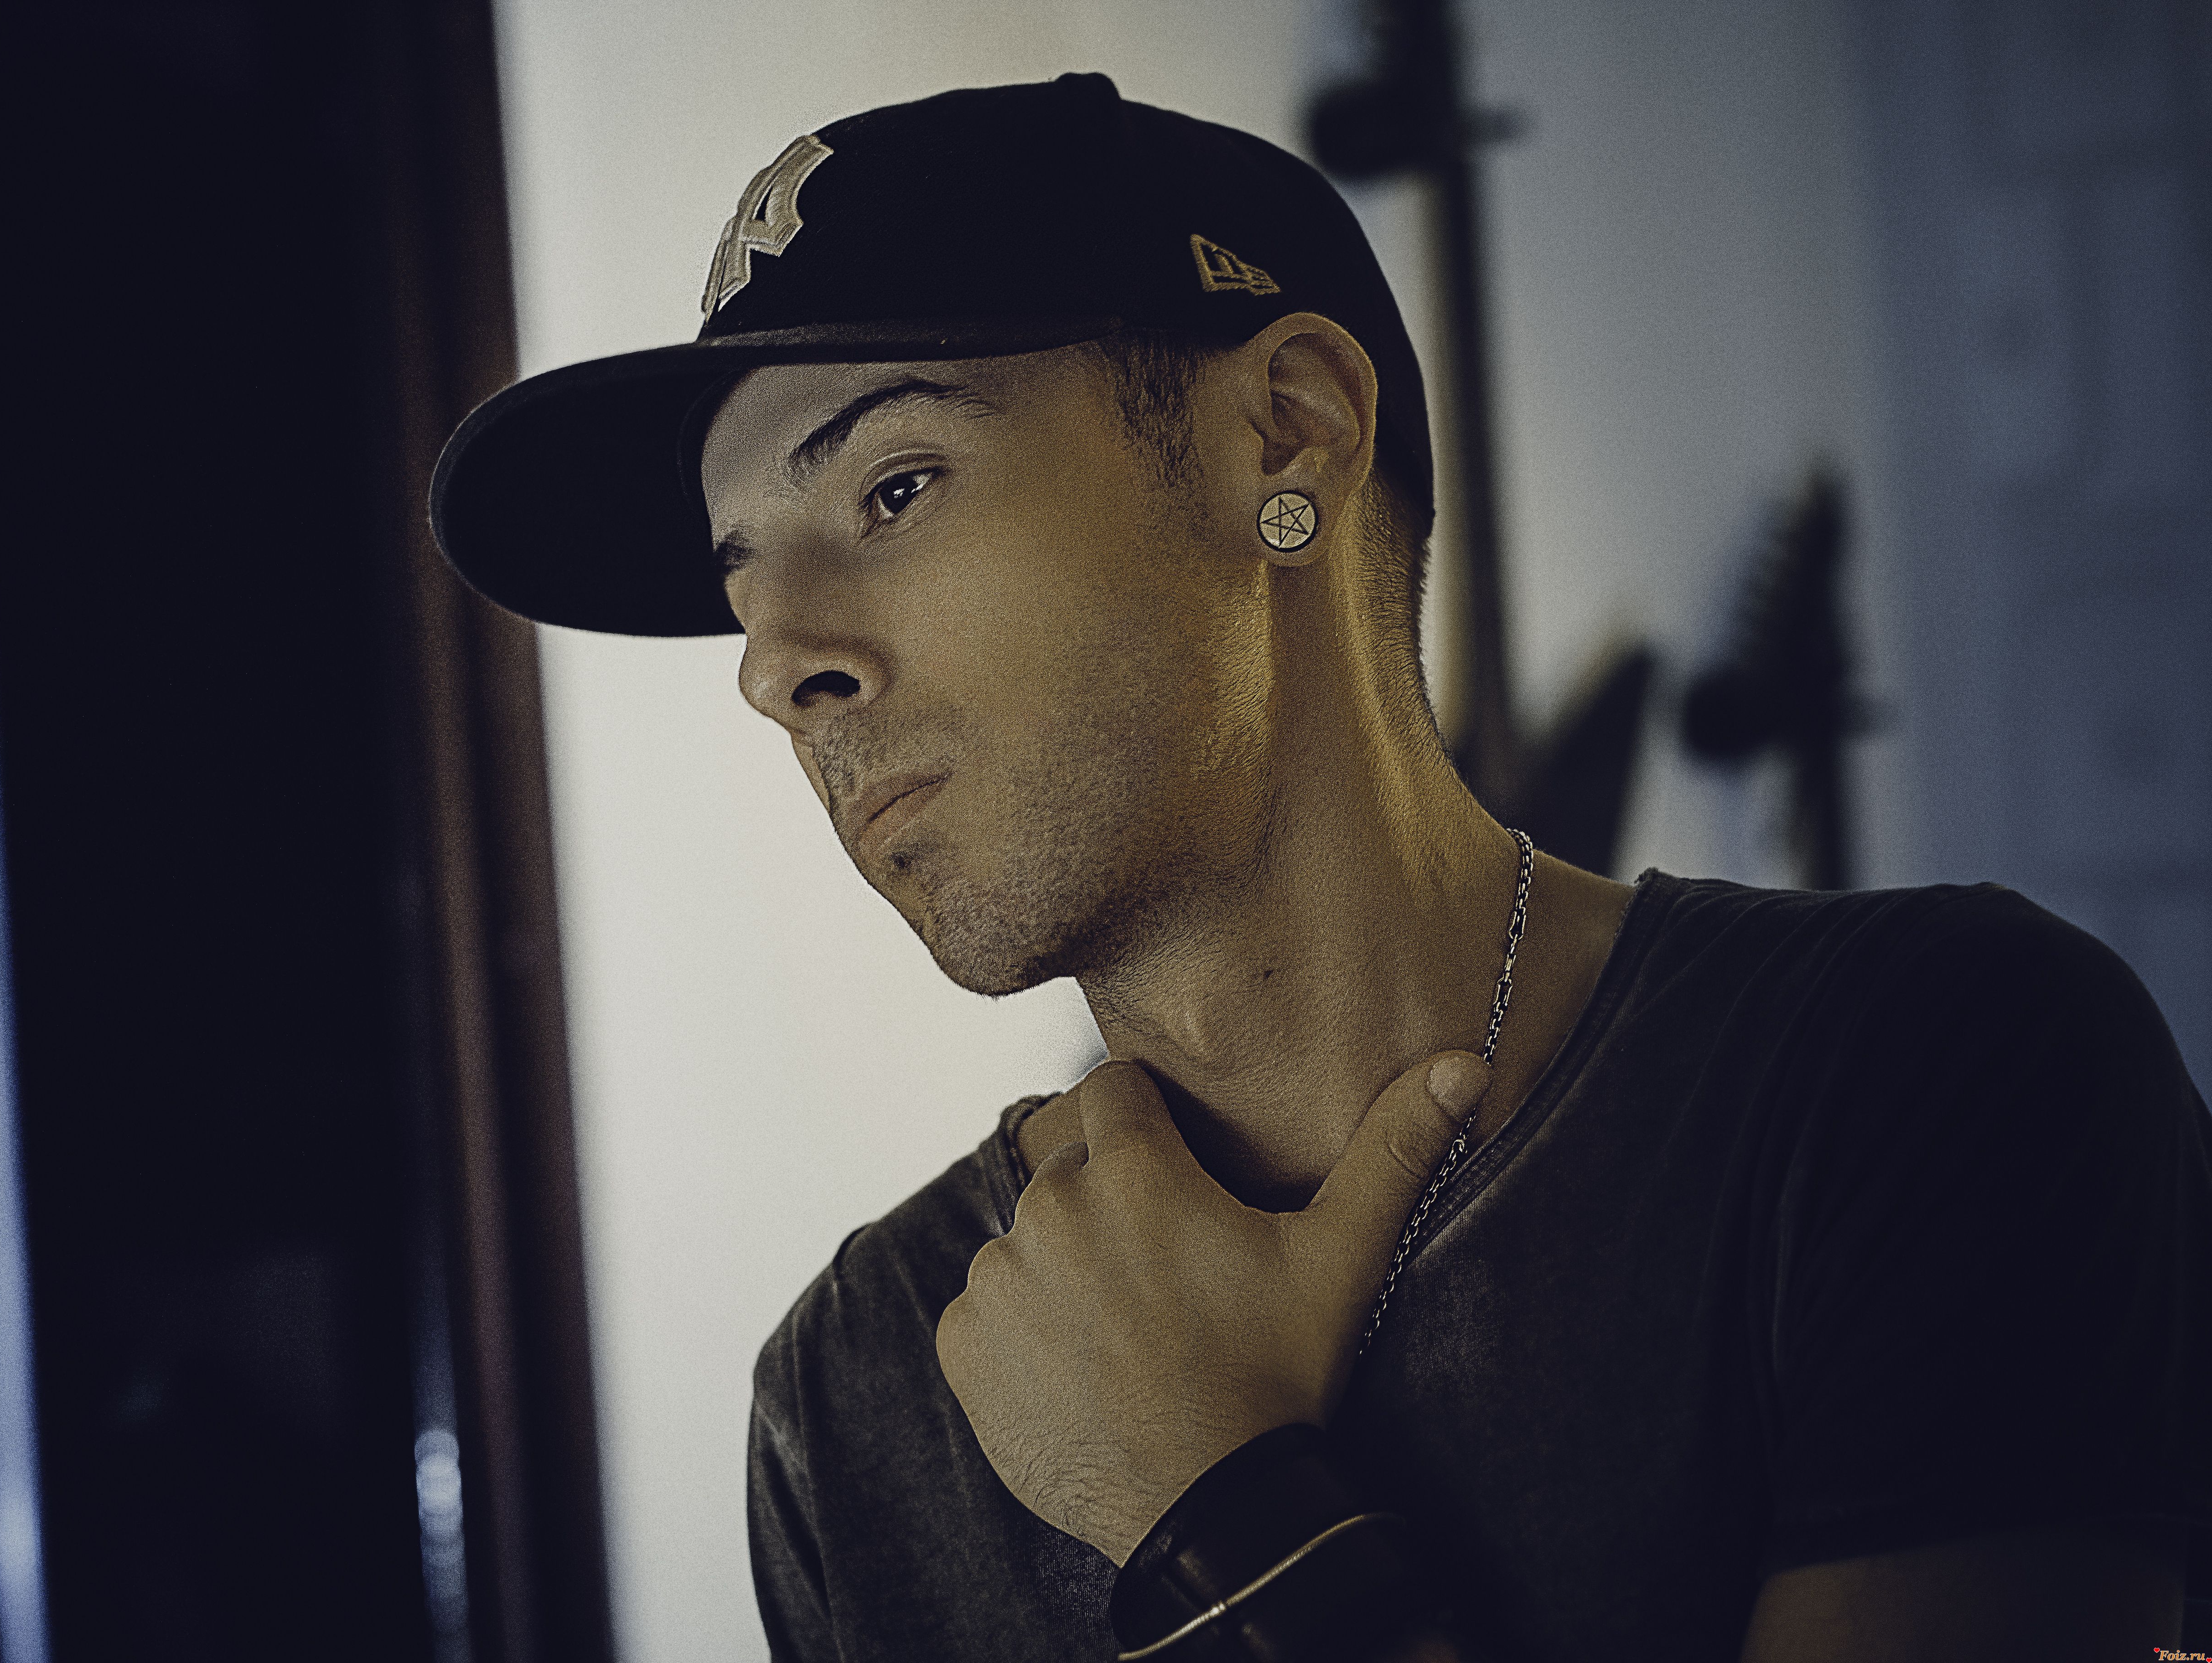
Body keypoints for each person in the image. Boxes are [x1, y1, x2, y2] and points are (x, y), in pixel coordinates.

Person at [430, 72, 2210, 1663]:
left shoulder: (1932, 1076)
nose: (776, 668)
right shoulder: (859, 1391)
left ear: (1288, 434)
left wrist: (1213, 1513)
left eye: (895, 488)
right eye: (743, 580)